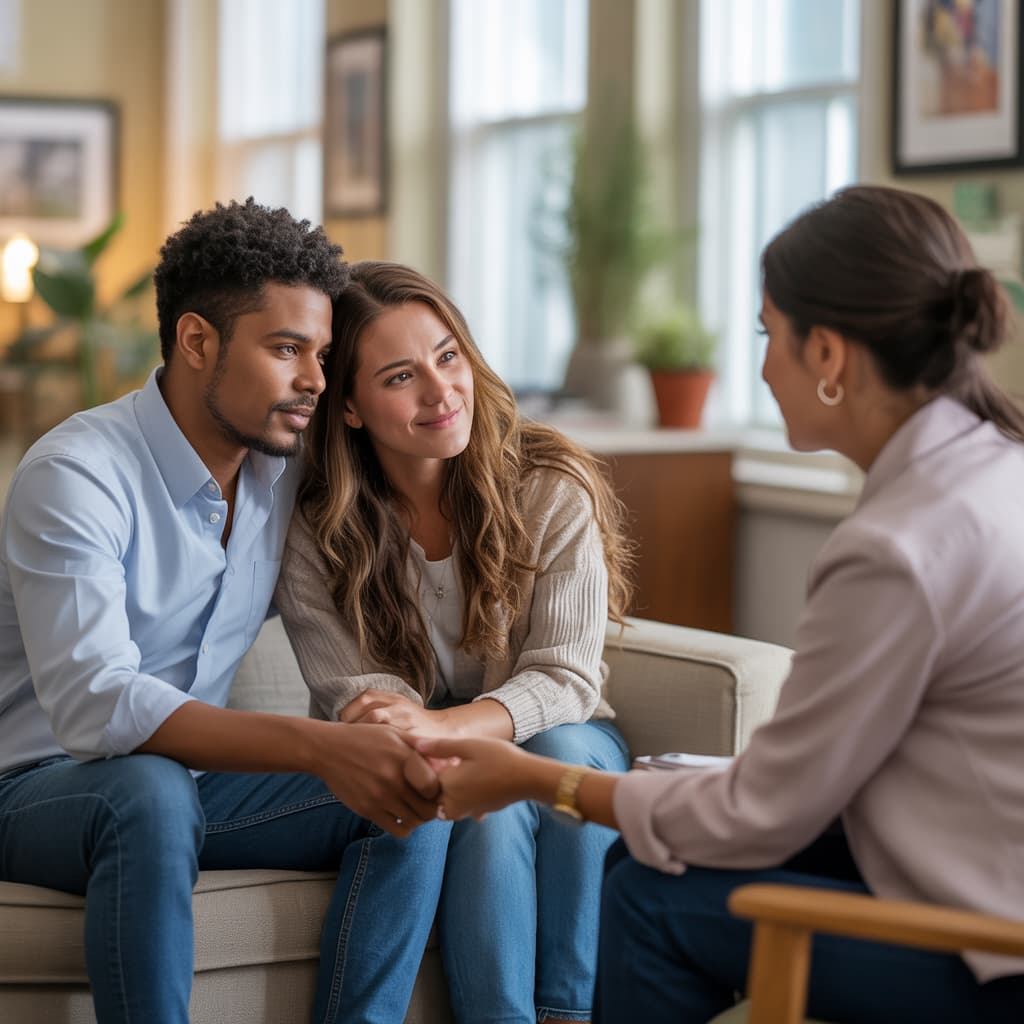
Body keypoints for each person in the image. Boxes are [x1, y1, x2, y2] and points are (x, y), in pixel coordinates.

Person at [410, 185, 1024, 1024]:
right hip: (977, 869)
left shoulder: (898, 549)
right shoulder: (997, 470)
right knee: (649, 864)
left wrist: (534, 780)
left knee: (649, 906)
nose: (763, 367)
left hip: (994, 953)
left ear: (831, 357)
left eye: (771, 336)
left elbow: (761, 814)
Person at [0, 200, 450, 1024]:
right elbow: (97, 702)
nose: (315, 379)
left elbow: (427, 437)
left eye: (320, 354)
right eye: (286, 350)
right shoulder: (76, 474)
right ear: (198, 341)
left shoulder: (291, 472)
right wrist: (320, 745)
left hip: (195, 785)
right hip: (34, 787)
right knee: (149, 791)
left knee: (409, 788)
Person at [273, 260, 634, 1024]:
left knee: (556, 757)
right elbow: (354, 690)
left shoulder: (548, 483)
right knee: (483, 801)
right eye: (401, 376)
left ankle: (570, 1013)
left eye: (448, 356)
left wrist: (446, 727)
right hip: (420, 748)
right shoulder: (317, 525)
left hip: (562, 731)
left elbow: (566, 677)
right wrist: (431, 739)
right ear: (350, 409)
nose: (441, 392)